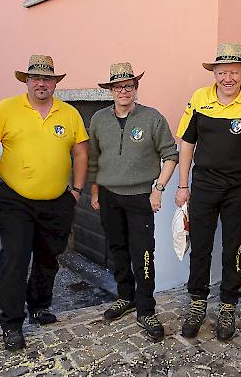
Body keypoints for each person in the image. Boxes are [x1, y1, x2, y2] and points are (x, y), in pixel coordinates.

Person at [0, 55, 89, 351]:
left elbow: (80, 153)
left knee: (48, 257)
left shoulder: (69, 113)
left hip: (57, 201)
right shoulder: (5, 109)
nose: (41, 83)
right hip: (15, 200)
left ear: (55, 83)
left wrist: (77, 190)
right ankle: (12, 323)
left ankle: (40, 306)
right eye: (35, 78)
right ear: (26, 81)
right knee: (15, 259)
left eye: (47, 79)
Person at [175, 43, 241, 341]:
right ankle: (197, 302)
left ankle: (228, 305)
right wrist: (183, 185)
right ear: (214, 73)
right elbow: (187, 143)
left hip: (239, 187)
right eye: (222, 72)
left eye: (234, 72)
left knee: (233, 248)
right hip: (203, 185)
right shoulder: (200, 99)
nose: (228, 78)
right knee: (200, 246)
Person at [89, 62, 178, 342]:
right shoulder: (98, 119)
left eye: (128, 86)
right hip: (108, 195)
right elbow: (92, 159)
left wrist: (159, 188)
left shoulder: (153, 118)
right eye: (118, 87)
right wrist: (94, 192)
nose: (123, 91)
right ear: (110, 91)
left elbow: (171, 155)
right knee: (117, 249)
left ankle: (146, 309)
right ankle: (125, 297)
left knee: (143, 254)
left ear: (136, 89)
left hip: (141, 197)